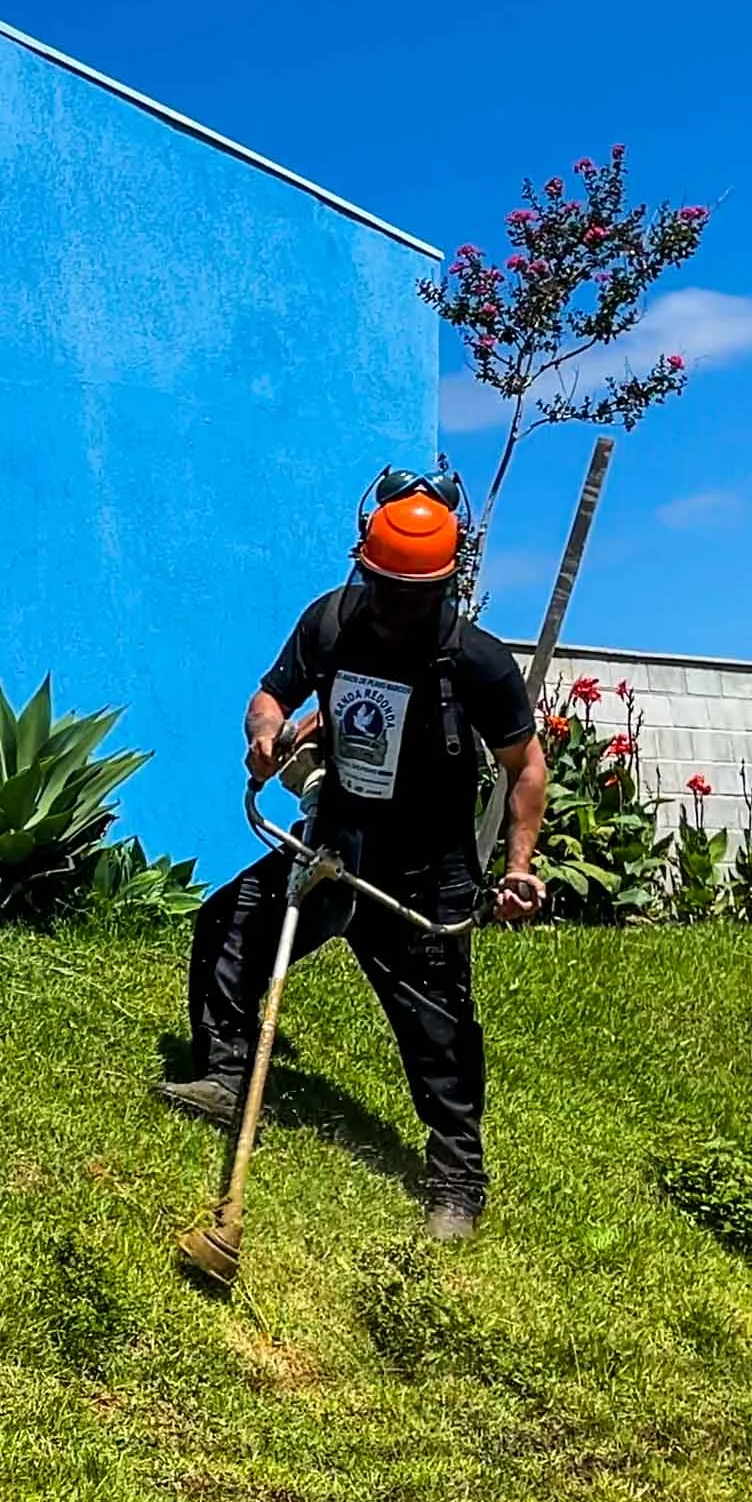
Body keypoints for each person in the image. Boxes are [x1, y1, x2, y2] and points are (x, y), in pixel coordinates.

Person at [158, 473, 549, 1242]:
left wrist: (515, 867)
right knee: (230, 928)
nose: (398, 607)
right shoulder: (331, 623)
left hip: (424, 869)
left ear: (447, 584)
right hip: (335, 840)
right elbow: (271, 695)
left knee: (439, 1028)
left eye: (417, 594)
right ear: (362, 568)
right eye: (386, 588)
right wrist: (266, 734)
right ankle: (228, 1077)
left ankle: (457, 1182)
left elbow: (525, 765)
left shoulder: (476, 662)